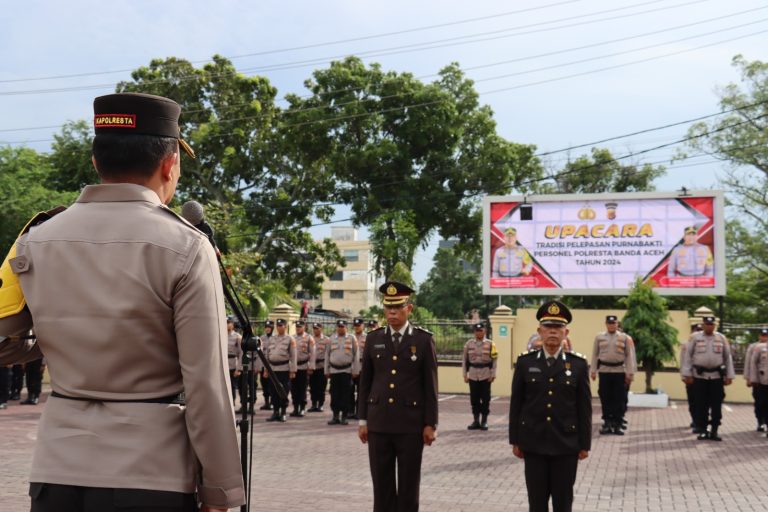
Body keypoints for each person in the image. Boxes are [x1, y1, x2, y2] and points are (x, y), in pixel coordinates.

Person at [0, 92, 244, 511]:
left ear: (96, 161)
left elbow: (3, 343)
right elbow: (206, 384)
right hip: (153, 473)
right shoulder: (186, 246)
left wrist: (66, 336)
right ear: (170, 165)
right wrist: (222, 491)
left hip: (57, 472)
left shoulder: (34, 240)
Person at [358, 281, 438, 512]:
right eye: (388, 307)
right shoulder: (374, 339)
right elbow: (365, 383)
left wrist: (430, 423)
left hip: (410, 426)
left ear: (409, 308)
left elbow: (430, 386)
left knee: (408, 486)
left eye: (398, 307)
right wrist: (363, 420)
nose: (392, 312)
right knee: (381, 487)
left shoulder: (423, 340)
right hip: (379, 422)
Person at [509, 300, 591, 512]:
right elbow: (516, 404)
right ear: (539, 331)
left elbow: (584, 408)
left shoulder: (578, 365)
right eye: (548, 327)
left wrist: (585, 444)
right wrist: (515, 440)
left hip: (566, 444)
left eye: (558, 327)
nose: (553, 332)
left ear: (566, 332)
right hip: (533, 442)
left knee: (563, 503)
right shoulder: (525, 363)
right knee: (536, 503)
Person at [680, 316, 734, 441]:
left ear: (714, 325)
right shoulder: (695, 338)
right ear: (703, 325)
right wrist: (687, 374)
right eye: (707, 324)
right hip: (700, 376)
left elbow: (727, 357)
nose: (709, 326)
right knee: (701, 404)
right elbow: (688, 357)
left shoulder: (721, 338)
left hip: (716, 377)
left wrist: (729, 376)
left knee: (716, 404)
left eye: (711, 324)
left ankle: (714, 430)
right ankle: (703, 430)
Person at [590, 315, 636, 435]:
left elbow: (629, 356)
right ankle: (607, 423)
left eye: (614, 323)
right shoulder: (599, 337)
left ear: (617, 324)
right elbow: (595, 354)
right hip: (604, 371)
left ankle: (617, 423)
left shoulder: (624, 337)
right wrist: (593, 370)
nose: (612, 325)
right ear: (606, 324)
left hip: (619, 371)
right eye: (609, 323)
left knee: (619, 399)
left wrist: (629, 373)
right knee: (605, 398)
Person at [462, 322, 497, 431]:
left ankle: (484, 421)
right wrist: (464, 374)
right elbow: (464, 360)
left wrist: (493, 374)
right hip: (473, 374)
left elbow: (495, 360)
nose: (479, 333)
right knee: (474, 399)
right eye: (477, 331)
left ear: (484, 331)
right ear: (474, 332)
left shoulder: (491, 344)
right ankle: (476, 421)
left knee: (485, 399)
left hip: (485, 374)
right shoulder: (468, 344)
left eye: (480, 330)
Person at [325, 319, 359, 425]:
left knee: (346, 394)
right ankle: (335, 416)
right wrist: (327, 370)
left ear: (346, 328)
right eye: (339, 326)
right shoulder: (331, 339)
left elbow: (356, 355)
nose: (341, 328)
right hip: (334, 371)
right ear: (336, 327)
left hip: (346, 371)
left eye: (342, 326)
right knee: (334, 394)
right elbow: (327, 355)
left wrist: (355, 370)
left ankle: (344, 416)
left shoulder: (352, 338)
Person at [264, 318, 296, 423]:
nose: (279, 327)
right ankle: (275, 412)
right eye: (278, 326)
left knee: (283, 391)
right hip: (273, 369)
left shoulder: (290, 339)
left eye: (281, 325)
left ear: (285, 326)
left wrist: (292, 370)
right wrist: (266, 369)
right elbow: (267, 355)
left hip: (284, 369)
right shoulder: (272, 339)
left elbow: (293, 356)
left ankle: (283, 412)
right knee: (273, 391)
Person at [745, 328, 768, 432]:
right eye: (763, 335)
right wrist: (749, 378)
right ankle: (760, 421)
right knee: (759, 402)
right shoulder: (754, 347)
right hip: (758, 380)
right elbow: (749, 363)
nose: (764, 337)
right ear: (759, 336)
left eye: (766, 335)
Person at [290, 320, 314, 417]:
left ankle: (302, 408)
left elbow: (312, 353)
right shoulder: (292, 338)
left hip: (304, 366)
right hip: (294, 368)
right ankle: (295, 408)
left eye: (300, 327)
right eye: (297, 327)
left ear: (304, 327)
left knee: (302, 389)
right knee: (294, 389)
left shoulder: (309, 338)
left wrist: (311, 367)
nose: (298, 328)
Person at [681, 323, 702, 430]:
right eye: (696, 330)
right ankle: (695, 419)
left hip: (702, 377)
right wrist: (684, 376)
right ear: (691, 331)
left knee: (702, 400)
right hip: (690, 376)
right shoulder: (686, 344)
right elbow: (683, 361)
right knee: (692, 400)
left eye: (699, 330)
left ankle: (701, 422)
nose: (697, 332)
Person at [308, 322, 330, 412]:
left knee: (321, 387)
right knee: (312, 387)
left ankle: (320, 404)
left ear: (321, 329)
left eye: (317, 328)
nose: (315, 330)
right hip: (312, 367)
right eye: (314, 328)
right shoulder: (310, 339)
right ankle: (313, 404)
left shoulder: (326, 340)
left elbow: (329, 354)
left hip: (322, 366)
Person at [349, 317, 367, 419]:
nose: (357, 328)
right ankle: (350, 411)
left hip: (363, 366)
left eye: (358, 326)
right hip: (351, 366)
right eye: (355, 326)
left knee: (361, 391)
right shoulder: (350, 338)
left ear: (363, 326)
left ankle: (359, 412)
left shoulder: (368, 337)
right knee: (350, 390)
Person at [258, 320, 275, 411]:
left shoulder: (275, 338)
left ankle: (272, 402)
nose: (267, 329)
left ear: (272, 329)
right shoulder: (262, 338)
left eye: (269, 328)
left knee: (271, 384)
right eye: (266, 328)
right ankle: (266, 402)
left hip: (272, 365)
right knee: (264, 384)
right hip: (262, 363)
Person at [226, 318, 243, 409]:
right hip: (223, 364)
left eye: (229, 323)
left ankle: (231, 403)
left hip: (233, 364)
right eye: (226, 323)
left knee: (232, 386)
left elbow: (241, 353)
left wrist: (239, 368)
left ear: (232, 325)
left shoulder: (237, 337)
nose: (227, 325)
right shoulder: (221, 335)